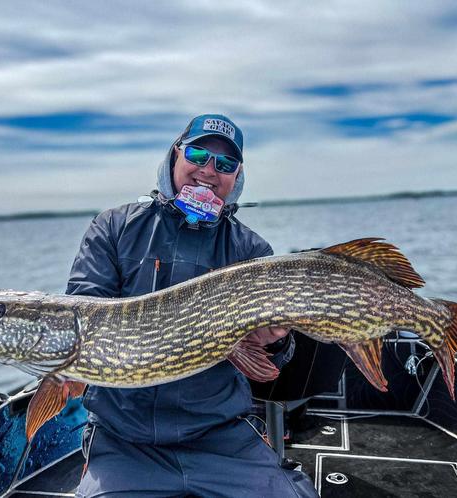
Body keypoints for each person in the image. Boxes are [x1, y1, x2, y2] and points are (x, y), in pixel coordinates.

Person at [67, 114, 318, 497]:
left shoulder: (251, 251)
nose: (209, 170)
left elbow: (275, 363)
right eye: (198, 153)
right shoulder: (114, 229)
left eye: (226, 163)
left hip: (222, 438)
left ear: (237, 177)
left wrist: (275, 341)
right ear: (174, 157)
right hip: (126, 443)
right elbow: (83, 324)